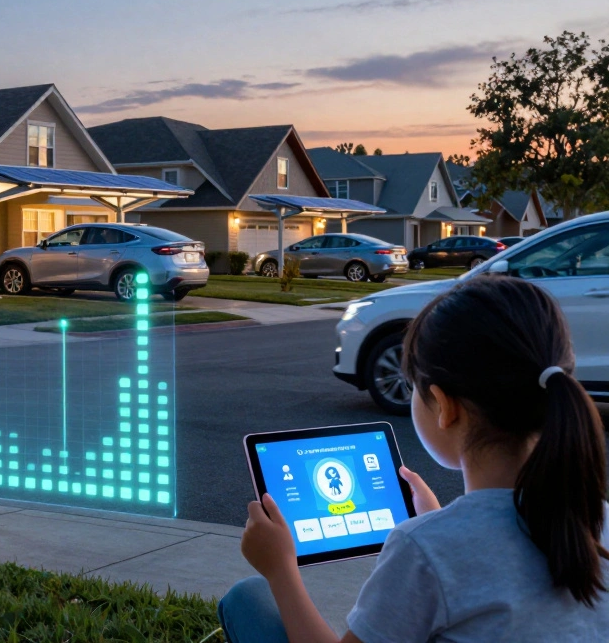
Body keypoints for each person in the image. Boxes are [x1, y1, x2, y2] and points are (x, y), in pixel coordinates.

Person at [218, 275, 609, 642]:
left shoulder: (423, 550)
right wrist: (436, 524)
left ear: (443, 405)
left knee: (248, 598)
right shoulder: (599, 520)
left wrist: (280, 568)